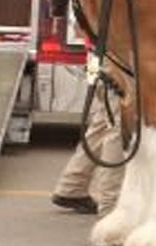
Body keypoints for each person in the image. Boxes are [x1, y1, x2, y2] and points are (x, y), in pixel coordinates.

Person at [51, 87, 124, 216]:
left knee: (104, 123)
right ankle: (110, 205)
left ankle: (72, 186)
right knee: (119, 127)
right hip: (122, 74)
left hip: (110, 73)